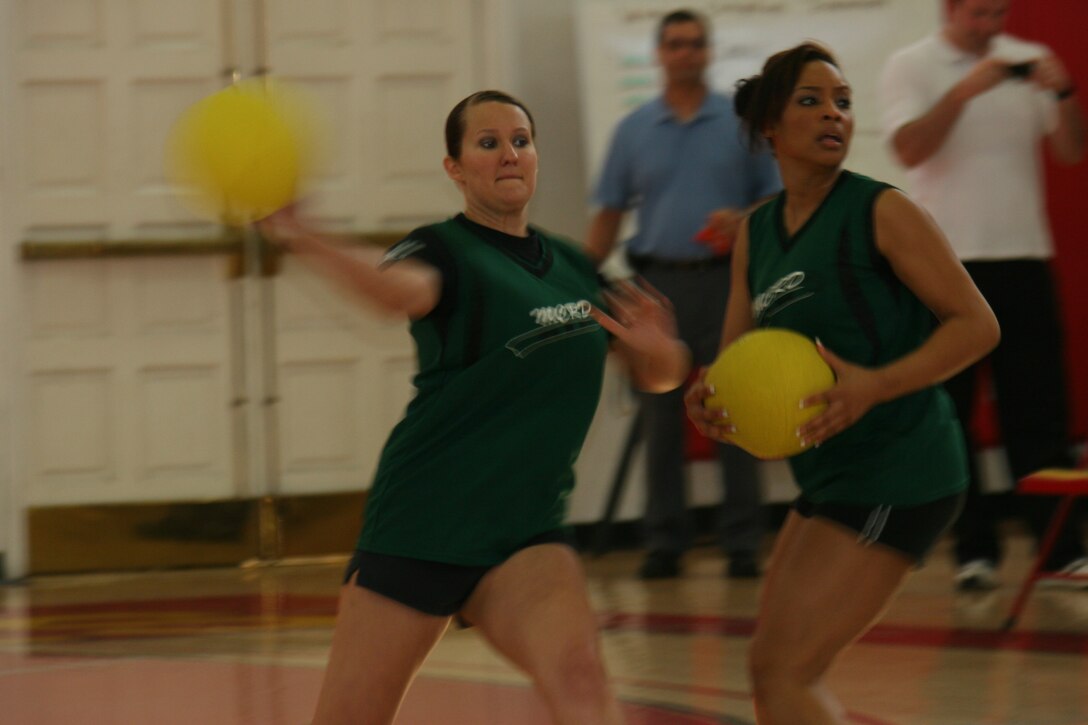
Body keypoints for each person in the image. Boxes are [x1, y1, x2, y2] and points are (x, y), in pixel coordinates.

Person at [260, 90, 691, 725]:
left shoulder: (574, 265)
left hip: (526, 534)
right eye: (488, 143)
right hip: (424, 526)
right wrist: (299, 232)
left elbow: (660, 374)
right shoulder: (442, 250)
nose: (509, 154)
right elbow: (393, 292)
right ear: (456, 168)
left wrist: (661, 351)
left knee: (582, 683)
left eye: (521, 140)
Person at [685, 43, 999, 723]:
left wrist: (874, 385)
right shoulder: (757, 233)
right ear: (770, 125)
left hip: (901, 468)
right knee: (773, 669)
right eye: (811, 100)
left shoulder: (883, 212)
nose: (834, 114)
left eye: (843, 101)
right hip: (829, 478)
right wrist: (712, 401)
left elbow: (976, 326)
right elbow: (735, 361)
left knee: (787, 671)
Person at [879, 0, 1088, 591]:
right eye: (977, 14)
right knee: (951, 414)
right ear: (950, 9)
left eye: (997, 13)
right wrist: (961, 94)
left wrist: (1066, 93)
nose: (989, 26)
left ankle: (1061, 548)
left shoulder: (1032, 58)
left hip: (1024, 258)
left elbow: (1072, 150)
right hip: (944, 266)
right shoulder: (911, 64)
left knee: (1040, 412)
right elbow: (909, 151)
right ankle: (974, 551)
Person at [586, 8, 782, 580]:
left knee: (735, 409)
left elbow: (778, 202)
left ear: (708, 51)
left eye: (695, 43)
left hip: (728, 284)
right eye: (674, 44)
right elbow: (607, 217)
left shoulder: (739, 122)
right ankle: (665, 542)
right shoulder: (633, 130)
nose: (685, 53)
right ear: (659, 54)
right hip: (655, 287)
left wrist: (743, 218)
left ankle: (742, 542)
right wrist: (572, 280)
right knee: (659, 420)